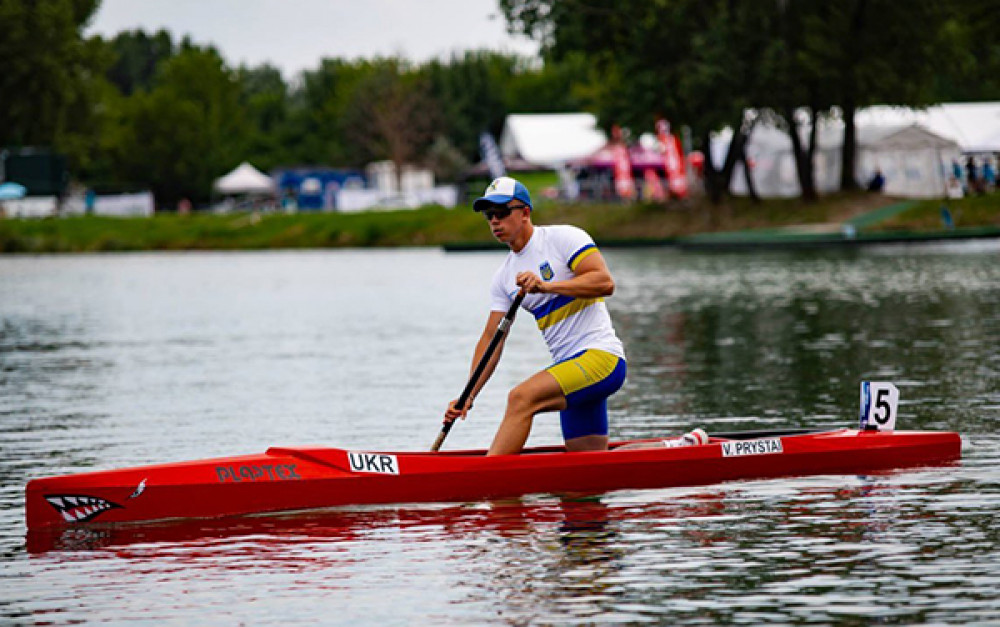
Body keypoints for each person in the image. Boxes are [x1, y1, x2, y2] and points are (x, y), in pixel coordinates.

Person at [444, 176, 627, 456]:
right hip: (572, 370)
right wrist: (468, 394)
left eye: (502, 213)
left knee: (521, 398)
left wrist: (546, 286)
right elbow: (493, 338)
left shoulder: (564, 239)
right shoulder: (504, 277)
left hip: (602, 359)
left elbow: (604, 282)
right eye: (489, 215)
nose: (494, 221)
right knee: (588, 465)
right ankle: (682, 446)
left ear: (525, 213)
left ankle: (489, 479)